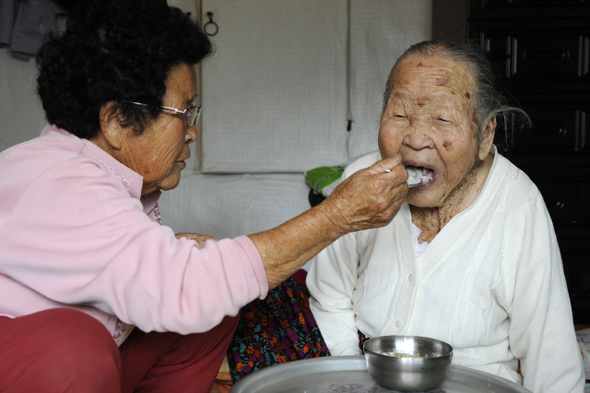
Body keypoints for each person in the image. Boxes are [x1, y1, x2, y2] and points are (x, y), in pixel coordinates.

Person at [0, 1, 410, 392]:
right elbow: (181, 288)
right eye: (185, 113)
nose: (192, 131)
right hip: (41, 364)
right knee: (73, 346)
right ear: (116, 121)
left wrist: (175, 257)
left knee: (216, 302)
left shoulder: (93, 175)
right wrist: (337, 216)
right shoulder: (61, 180)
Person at [306, 40, 585, 393]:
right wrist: (352, 378)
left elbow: (551, 354)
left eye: (441, 118)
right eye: (400, 115)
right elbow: (330, 296)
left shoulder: (519, 204)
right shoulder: (362, 179)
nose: (416, 139)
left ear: (485, 135)